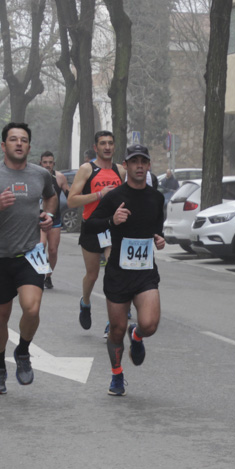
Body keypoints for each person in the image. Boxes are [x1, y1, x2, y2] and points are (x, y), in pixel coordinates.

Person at [0, 123, 57, 394]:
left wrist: (48, 216)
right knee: (1, 316)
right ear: (3, 146)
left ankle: (22, 351)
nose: (19, 144)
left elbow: (51, 197)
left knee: (32, 309)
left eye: (23, 140)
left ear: (29, 147)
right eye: (13, 139)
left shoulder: (41, 174)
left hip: (31, 253)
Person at [83, 144, 165, 396]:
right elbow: (89, 226)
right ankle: (117, 374)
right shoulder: (114, 197)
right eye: (134, 161)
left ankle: (137, 336)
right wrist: (111, 221)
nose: (139, 166)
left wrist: (159, 240)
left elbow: (156, 230)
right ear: (126, 166)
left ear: (149, 166)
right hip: (118, 273)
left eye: (144, 161)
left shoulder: (156, 197)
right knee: (116, 330)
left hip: (144, 272)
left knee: (150, 324)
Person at [68, 130, 124, 332]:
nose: (107, 147)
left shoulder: (120, 171)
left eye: (110, 143)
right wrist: (100, 194)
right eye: (103, 143)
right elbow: (72, 200)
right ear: (96, 147)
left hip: (113, 227)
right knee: (92, 276)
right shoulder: (87, 169)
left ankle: (113, 320)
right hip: (92, 225)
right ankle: (85, 302)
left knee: (113, 271)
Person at [38, 150, 67, 289]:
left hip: (55, 219)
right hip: (39, 218)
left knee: (53, 250)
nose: (47, 165)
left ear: (53, 163)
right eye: (45, 162)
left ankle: (48, 276)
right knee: (41, 245)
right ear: (40, 163)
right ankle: (37, 274)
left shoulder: (60, 177)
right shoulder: (35, 176)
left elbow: (70, 195)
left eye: (50, 163)